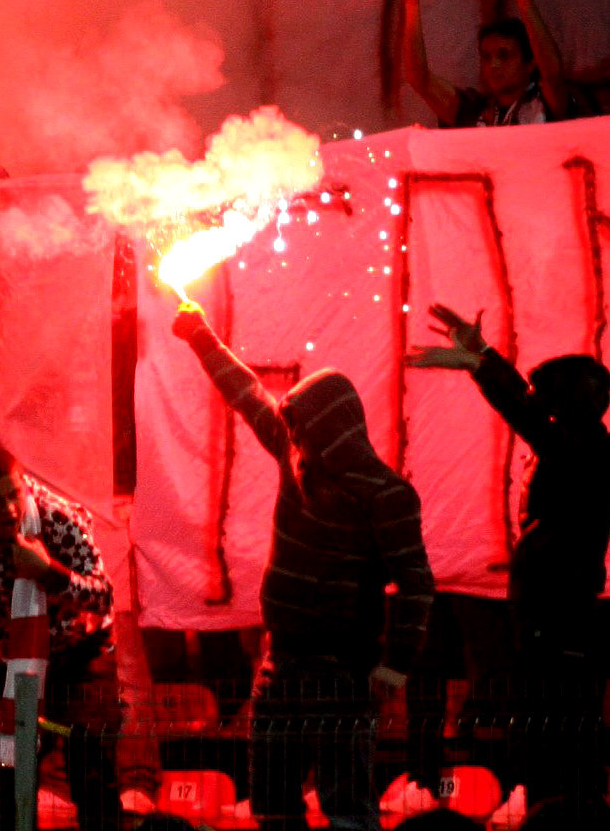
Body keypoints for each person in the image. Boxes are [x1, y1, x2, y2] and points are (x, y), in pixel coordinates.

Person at [171, 301, 433, 831]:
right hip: (280, 662)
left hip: (344, 671)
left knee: (347, 809)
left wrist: (393, 667)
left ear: (333, 427)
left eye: (303, 429)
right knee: (272, 803)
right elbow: (246, 393)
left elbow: (416, 586)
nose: (294, 438)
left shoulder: (386, 494)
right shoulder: (296, 459)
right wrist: (200, 335)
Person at [409, 305, 610, 808]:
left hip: (562, 615)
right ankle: (551, 804)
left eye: (548, 396)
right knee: (541, 725)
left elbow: (531, 418)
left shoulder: (597, 451)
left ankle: (567, 807)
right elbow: (532, 414)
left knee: (563, 728)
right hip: (542, 614)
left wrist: (481, 363)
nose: (539, 403)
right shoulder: (572, 446)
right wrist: (483, 357)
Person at [0, 449, 121, 831]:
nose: (8, 509)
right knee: (5, 779)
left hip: (82, 652)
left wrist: (50, 572)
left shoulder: (57, 520)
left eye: (14, 494)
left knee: (91, 769)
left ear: (24, 486)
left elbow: (103, 596)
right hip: (19, 654)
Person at [387, 0, 578, 127]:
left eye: (504, 55)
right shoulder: (474, 109)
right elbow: (420, 80)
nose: (493, 65)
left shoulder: (544, 103)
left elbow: (553, 73)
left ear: (530, 64)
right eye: (486, 57)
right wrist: (412, 4)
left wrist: (525, 0)